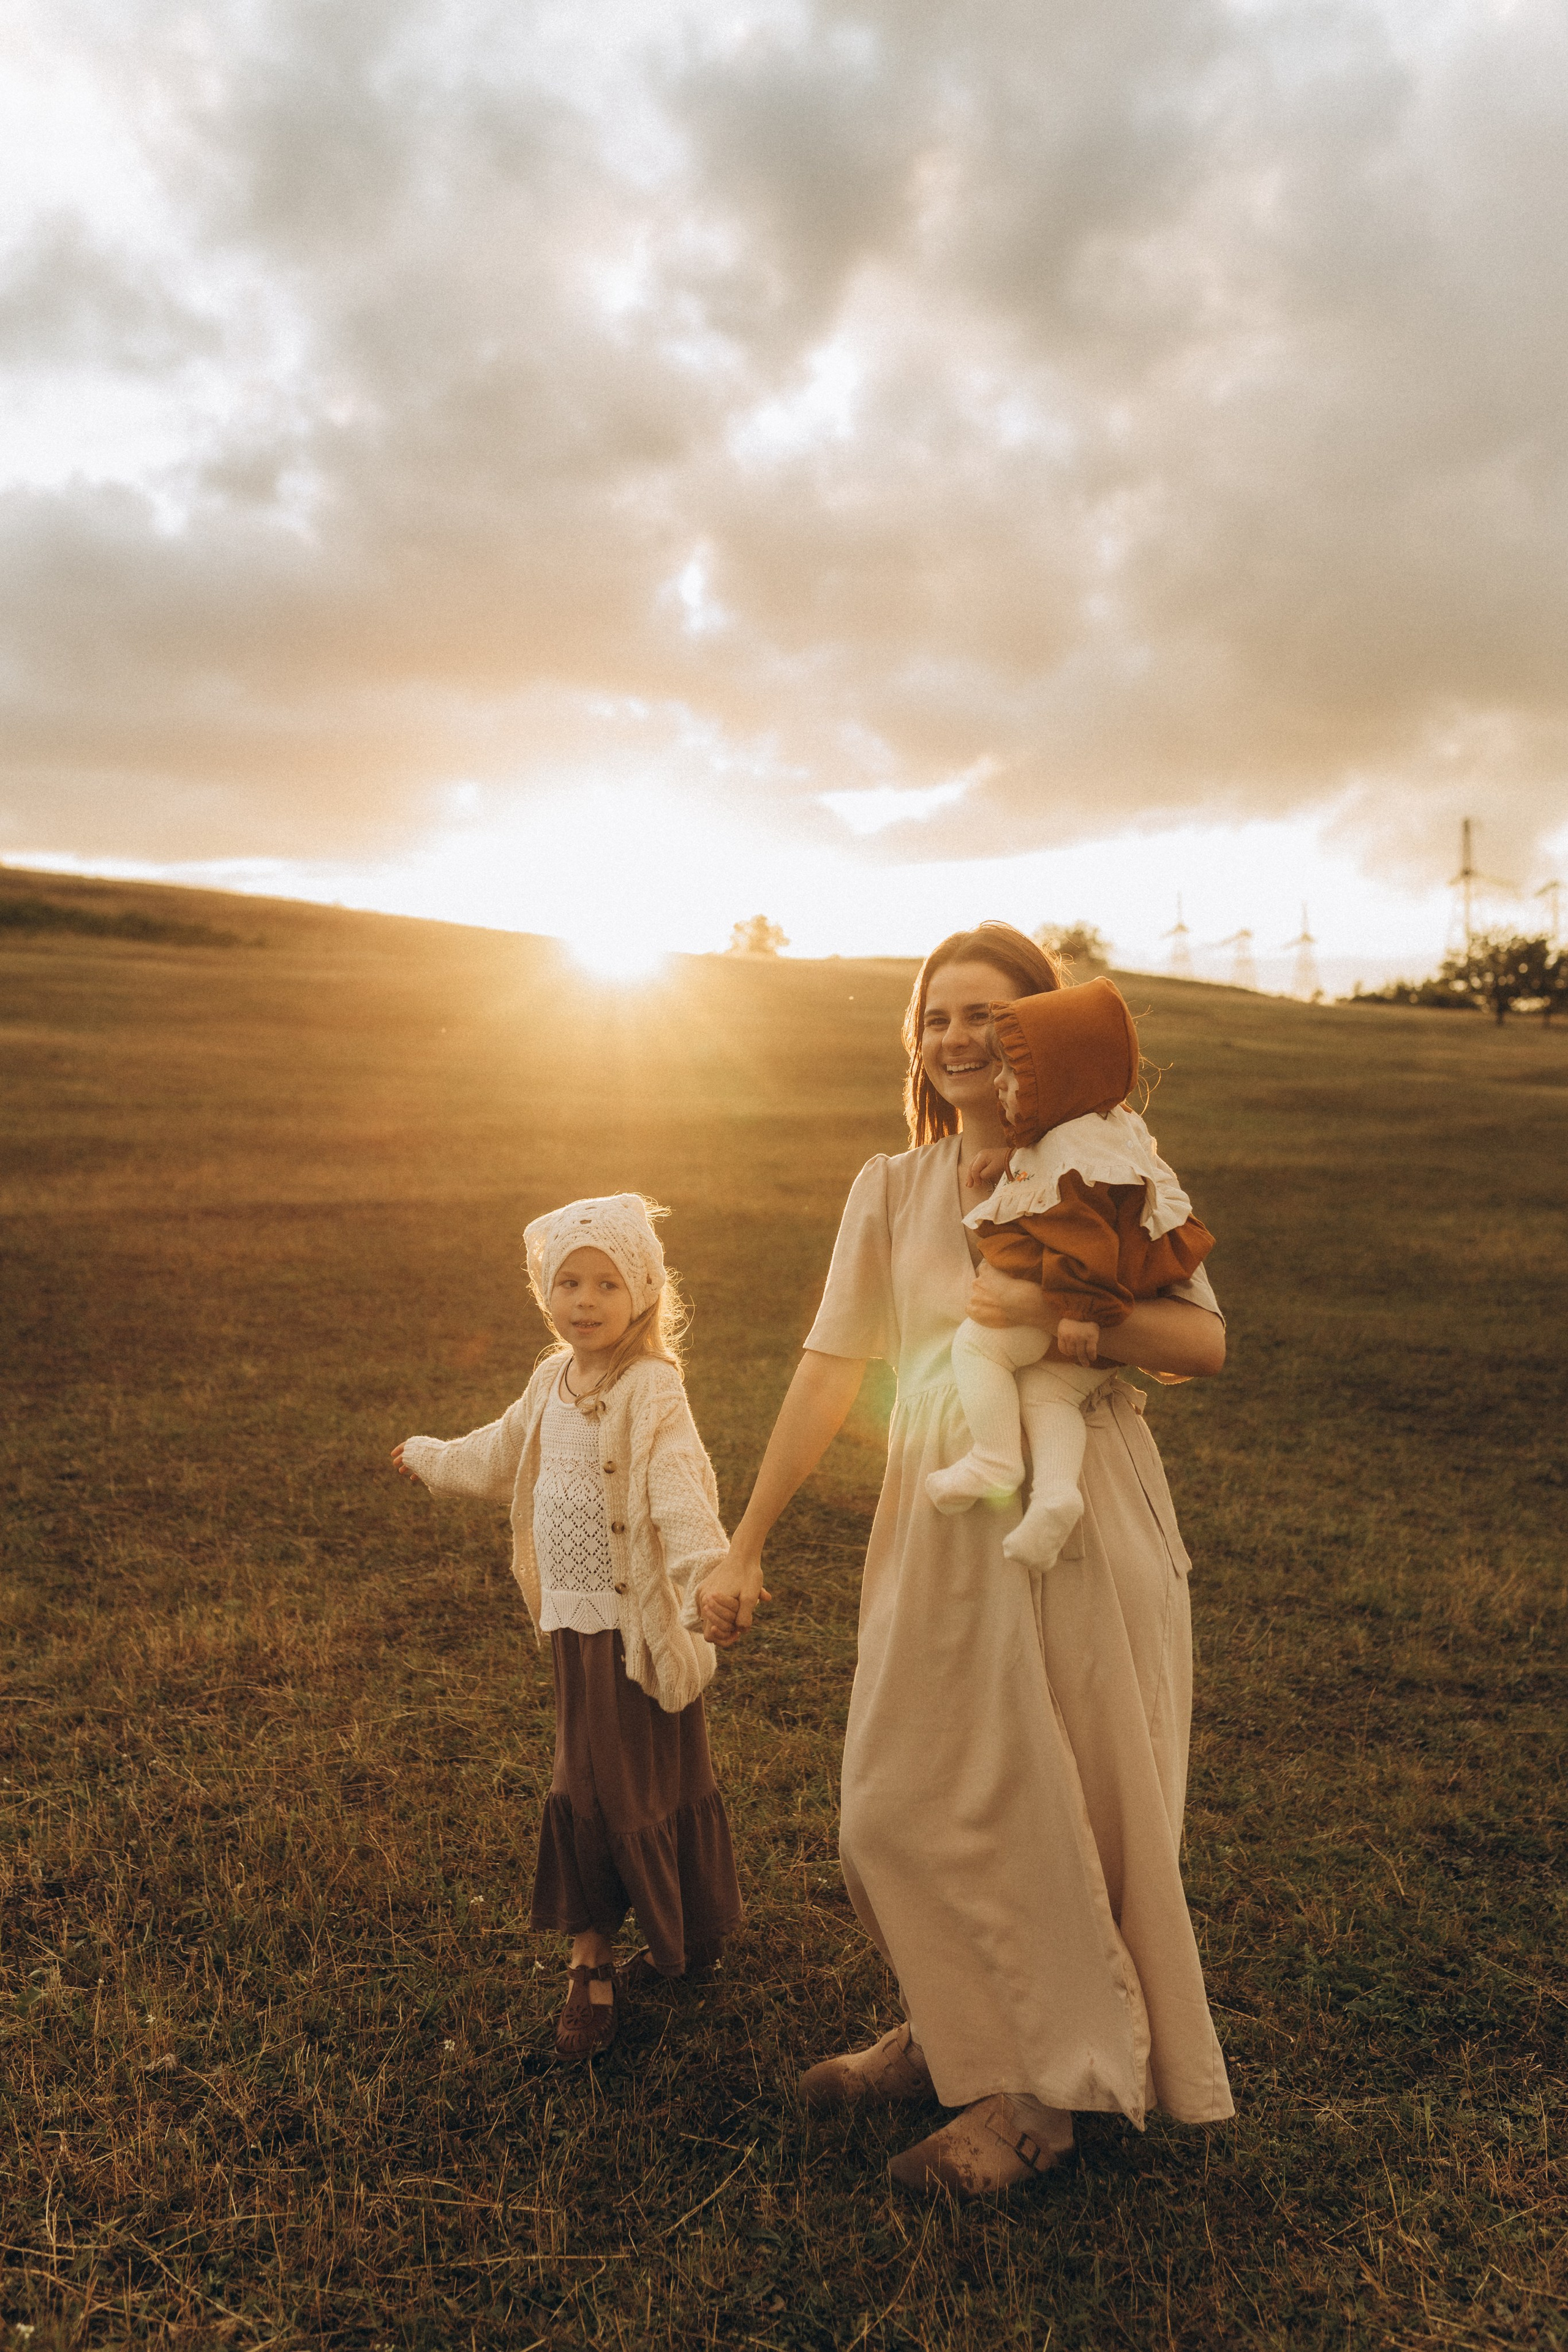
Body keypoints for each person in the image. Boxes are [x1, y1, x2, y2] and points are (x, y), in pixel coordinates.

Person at [699, 923, 1234, 2198]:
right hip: (934, 1515)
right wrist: (746, 1537)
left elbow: (1199, 1343)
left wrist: (1061, 1319)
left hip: (1074, 1516)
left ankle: (1038, 2106)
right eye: (934, 1015)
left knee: (1045, 1804)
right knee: (891, 1800)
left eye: (985, 1017)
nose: (954, 1039)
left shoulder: (1100, 1166)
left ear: (1037, 1036)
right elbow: (832, 1362)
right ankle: (955, 2027)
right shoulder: (889, 1185)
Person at [393, 1193, 743, 2060]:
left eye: (606, 1284)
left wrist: (709, 1578)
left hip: (644, 1628)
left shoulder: (652, 1388)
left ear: (645, 1295)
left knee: (652, 1777)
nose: (584, 1302)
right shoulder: (552, 1379)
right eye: (568, 1283)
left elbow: (681, 1492)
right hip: (573, 1630)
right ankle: (597, 1950)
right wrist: (433, 1458)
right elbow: (502, 1450)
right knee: (591, 1786)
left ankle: (676, 1925)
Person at [927, 973, 1214, 1570]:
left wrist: (1076, 1310)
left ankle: (994, 1458)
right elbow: (1067, 1162)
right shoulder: (1102, 1130)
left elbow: (1085, 1228)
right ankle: (1056, 1497)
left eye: (1012, 1073)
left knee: (978, 1348)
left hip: (1076, 1303)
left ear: (1052, 1080)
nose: (1000, 1081)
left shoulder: (1076, 1158)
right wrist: (1010, 1156)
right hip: (1087, 1329)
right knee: (1048, 1394)